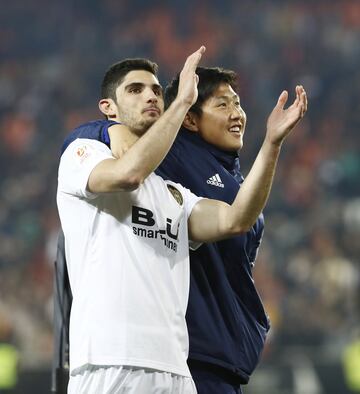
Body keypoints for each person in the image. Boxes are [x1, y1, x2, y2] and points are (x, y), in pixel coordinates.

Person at [57, 45, 307, 394]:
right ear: (107, 108)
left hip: (175, 368)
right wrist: (180, 102)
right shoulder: (84, 153)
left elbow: (235, 220)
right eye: (135, 89)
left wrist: (272, 143)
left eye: (157, 90)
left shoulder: (173, 193)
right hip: (111, 359)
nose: (151, 96)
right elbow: (127, 172)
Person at [156, 66, 272, 393]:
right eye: (222, 105)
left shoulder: (231, 177)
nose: (237, 114)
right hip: (191, 355)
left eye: (237, 104)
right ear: (190, 119)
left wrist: (273, 141)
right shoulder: (173, 154)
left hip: (223, 359)